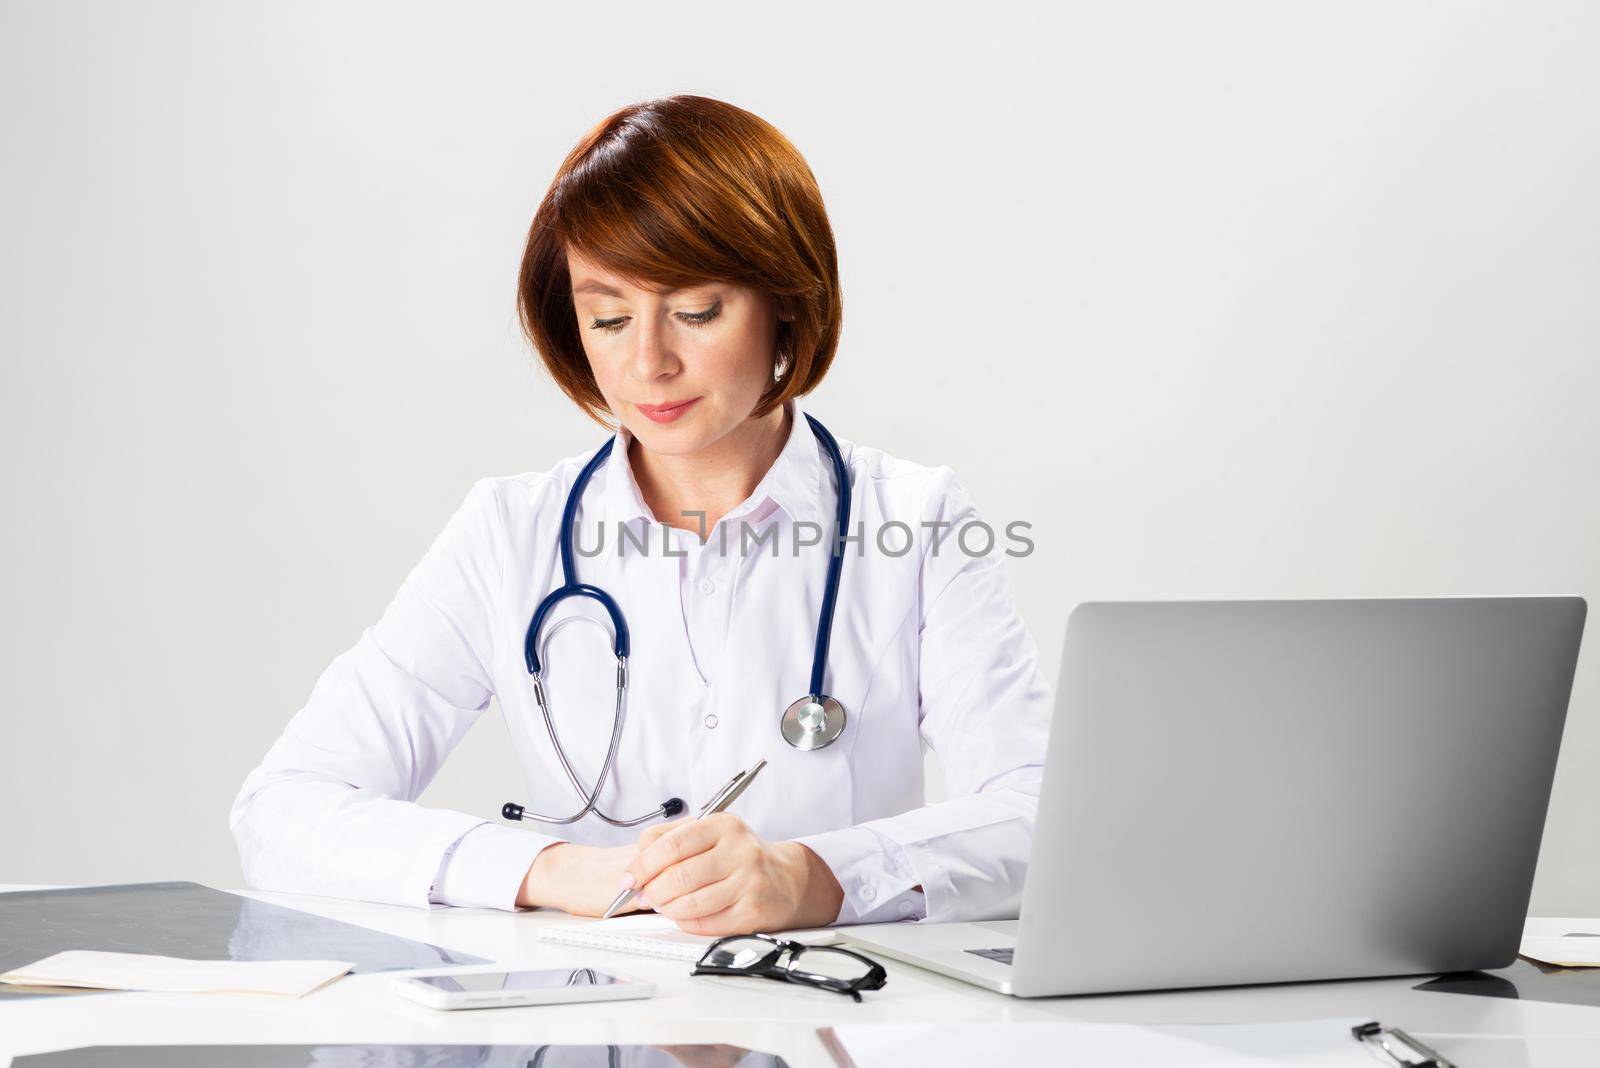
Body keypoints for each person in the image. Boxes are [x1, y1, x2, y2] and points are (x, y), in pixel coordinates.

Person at [231, 94, 1052, 936]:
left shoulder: (916, 523)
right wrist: (551, 871)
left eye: (695, 312)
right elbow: (284, 809)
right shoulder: (509, 535)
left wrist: (808, 877)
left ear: (787, 300)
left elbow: (1038, 817)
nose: (648, 362)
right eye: (609, 317)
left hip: (838, 1029)